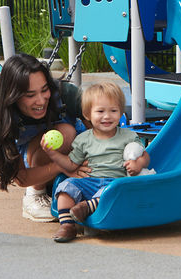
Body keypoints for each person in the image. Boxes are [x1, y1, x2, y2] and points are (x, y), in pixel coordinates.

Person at [0, 53, 86, 222]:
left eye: (44, 90)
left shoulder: (65, 94)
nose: (41, 100)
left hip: (77, 152)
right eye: (30, 95)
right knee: (65, 133)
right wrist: (65, 166)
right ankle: (35, 195)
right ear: (13, 95)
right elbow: (21, 177)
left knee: (75, 133)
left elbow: (101, 130)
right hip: (39, 163)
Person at [43, 81, 150, 243]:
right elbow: (71, 164)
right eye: (100, 111)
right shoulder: (83, 139)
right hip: (89, 182)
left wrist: (138, 164)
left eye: (113, 111)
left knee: (114, 191)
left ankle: (87, 207)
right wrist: (53, 154)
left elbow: (145, 155)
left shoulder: (128, 135)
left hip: (115, 182)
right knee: (65, 187)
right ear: (87, 115)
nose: (107, 116)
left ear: (120, 112)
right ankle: (67, 225)